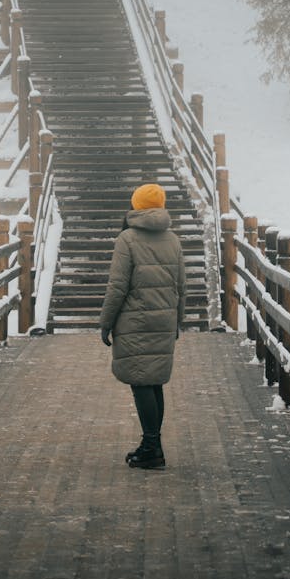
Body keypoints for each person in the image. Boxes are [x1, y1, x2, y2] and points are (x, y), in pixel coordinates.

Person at [99, 182, 186, 470]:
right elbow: (181, 287)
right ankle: (152, 445)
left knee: (141, 382)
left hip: (135, 321)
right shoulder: (172, 239)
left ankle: (151, 447)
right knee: (154, 381)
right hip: (163, 320)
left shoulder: (128, 239)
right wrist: (177, 321)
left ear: (135, 205)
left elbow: (117, 287)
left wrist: (105, 322)